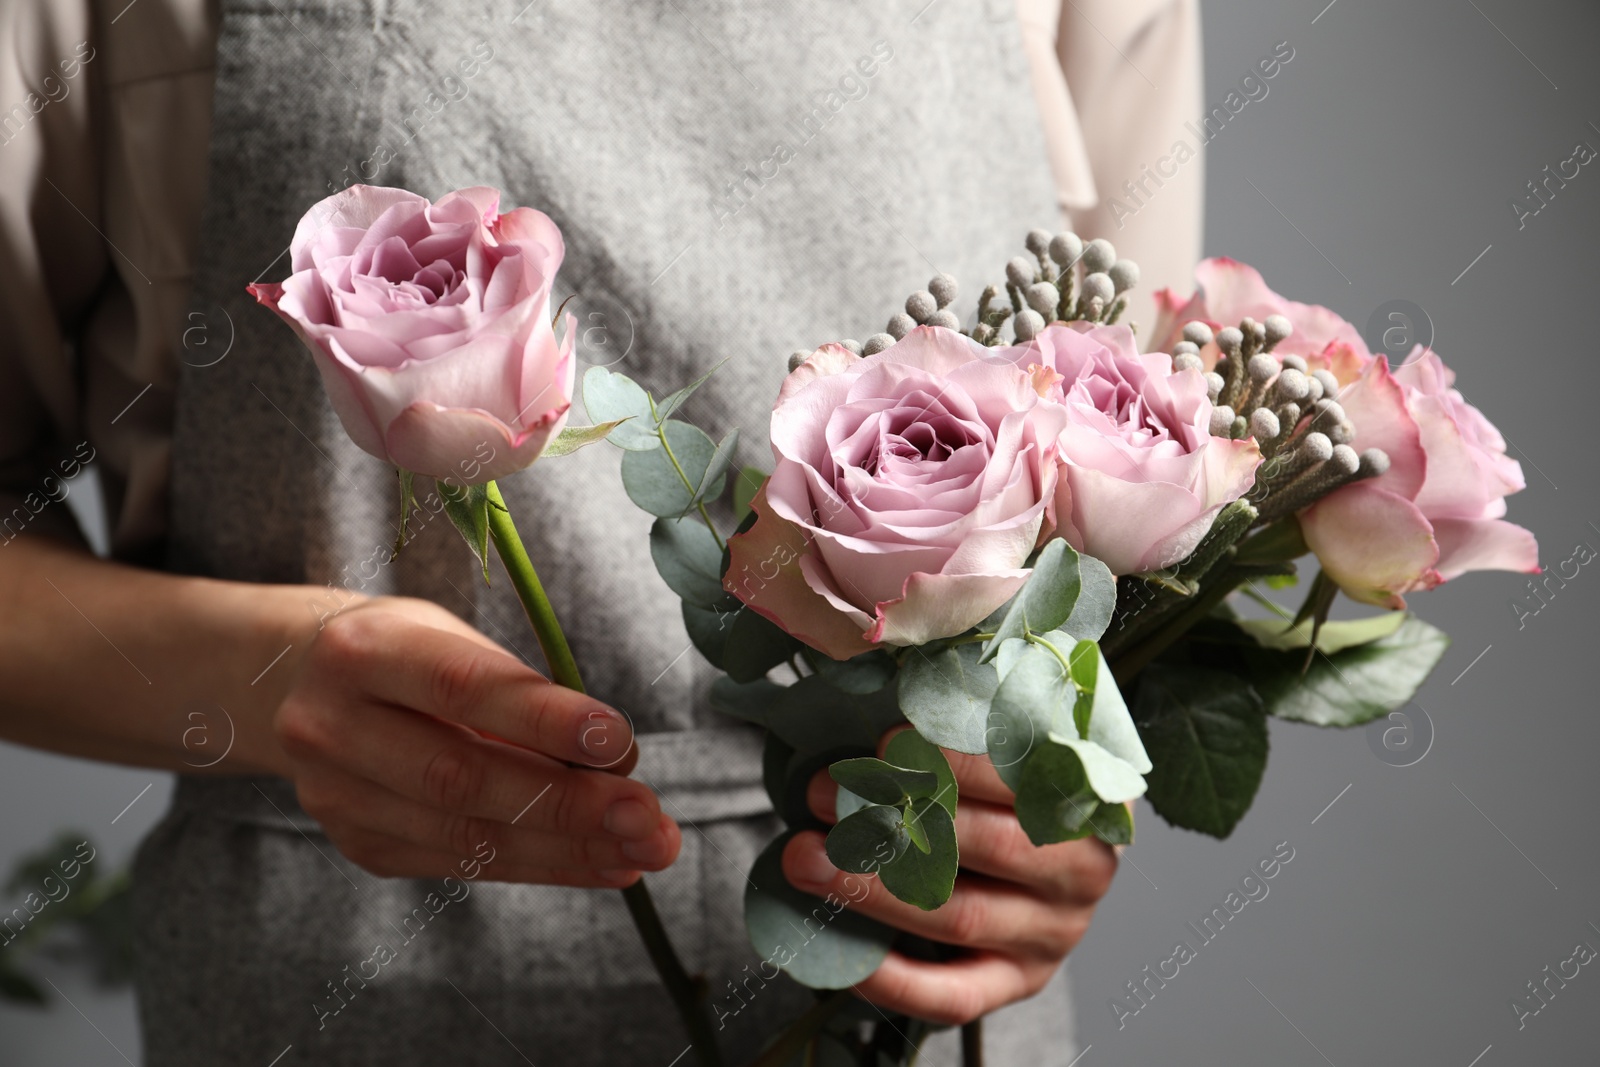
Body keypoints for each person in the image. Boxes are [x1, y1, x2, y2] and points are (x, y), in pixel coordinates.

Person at [0, 0, 1201, 1062]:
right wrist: (257, 684)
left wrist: (1064, 799)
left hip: (914, 982)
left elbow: (1138, 482)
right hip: (340, 983)